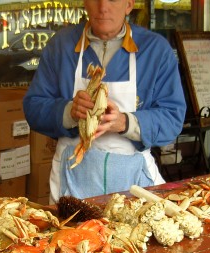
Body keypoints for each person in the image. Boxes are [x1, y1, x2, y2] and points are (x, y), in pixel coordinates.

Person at [22, 0, 186, 203]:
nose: (103, 7)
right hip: (72, 184)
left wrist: (124, 122)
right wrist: (69, 112)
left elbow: (172, 118)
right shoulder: (61, 45)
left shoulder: (155, 50)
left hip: (133, 186)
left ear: (129, 5)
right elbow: (34, 106)